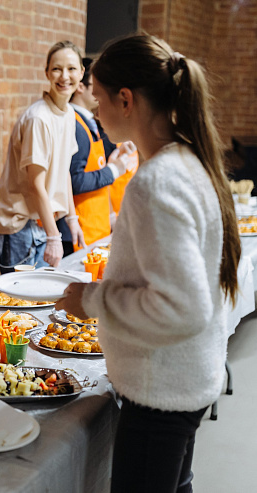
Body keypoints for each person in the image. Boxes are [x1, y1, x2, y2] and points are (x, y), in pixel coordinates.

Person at [56, 34, 241, 492]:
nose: (95, 112)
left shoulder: (156, 182)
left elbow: (183, 307)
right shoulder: (185, 159)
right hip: (185, 377)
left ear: (126, 100)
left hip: (162, 391)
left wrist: (93, 299)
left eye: (97, 99)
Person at [0, 40, 87, 282]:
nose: (64, 76)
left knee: (39, 306)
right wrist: (55, 237)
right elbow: (36, 185)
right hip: (22, 227)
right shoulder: (39, 118)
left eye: (72, 69)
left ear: (82, 72)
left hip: (43, 223)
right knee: (19, 309)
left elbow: (62, 170)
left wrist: (72, 220)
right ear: (46, 72)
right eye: (57, 69)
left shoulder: (69, 113)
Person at [57, 57, 137, 254]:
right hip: (78, 229)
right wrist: (112, 171)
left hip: (93, 225)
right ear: (81, 87)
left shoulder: (88, 123)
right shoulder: (75, 124)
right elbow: (73, 180)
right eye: (96, 86)